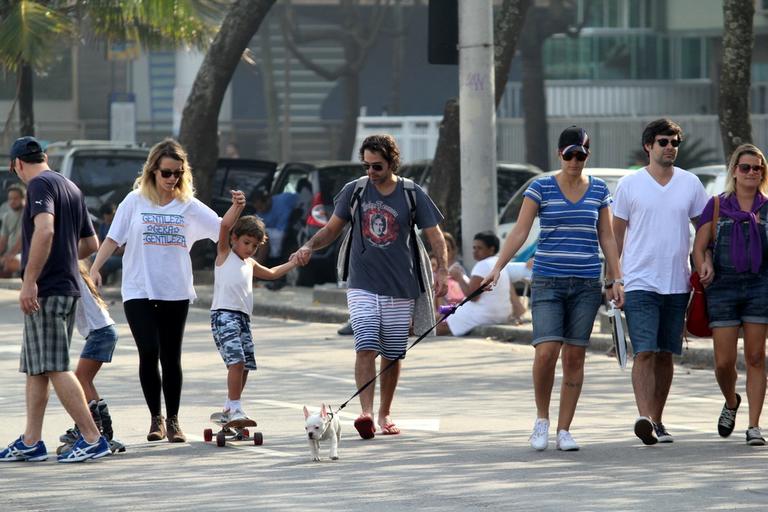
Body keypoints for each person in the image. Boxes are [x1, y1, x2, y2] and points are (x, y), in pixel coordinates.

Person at [291, 134, 448, 438]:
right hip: (361, 283)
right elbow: (332, 229)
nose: (371, 172)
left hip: (401, 285)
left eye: (377, 166)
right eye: (367, 166)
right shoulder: (355, 190)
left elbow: (436, 235)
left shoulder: (412, 193)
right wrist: (310, 246)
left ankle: (385, 413)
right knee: (366, 345)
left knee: (392, 353)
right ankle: (365, 413)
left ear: (392, 162)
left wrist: (441, 270)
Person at [483, 126, 624, 451]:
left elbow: (607, 237)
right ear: (560, 154)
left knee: (574, 357)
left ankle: (565, 429)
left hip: (586, 283)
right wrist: (498, 267)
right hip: (547, 281)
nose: (576, 161)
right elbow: (519, 232)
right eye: (570, 154)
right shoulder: (541, 187)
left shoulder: (600, 189)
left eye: (582, 155)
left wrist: (616, 278)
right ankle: (542, 419)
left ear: (587, 156)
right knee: (546, 352)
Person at [89, 138, 223, 443]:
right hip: (138, 289)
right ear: (152, 171)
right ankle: (156, 419)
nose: (172, 179)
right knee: (148, 352)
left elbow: (221, 228)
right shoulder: (134, 201)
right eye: (166, 173)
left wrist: (239, 215)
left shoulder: (188, 205)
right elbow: (112, 238)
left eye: (177, 173)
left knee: (170, 356)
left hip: (174, 289)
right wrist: (95, 268)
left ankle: (174, 420)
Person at [0, 136, 110, 463]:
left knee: (55, 366)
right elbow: (91, 243)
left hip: (46, 289)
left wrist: (30, 280)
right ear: (45, 156)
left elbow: (45, 230)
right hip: (65, 287)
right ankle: (32, 441)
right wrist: (63, 258)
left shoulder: (37, 185)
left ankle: (92, 437)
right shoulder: (70, 187)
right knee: (38, 368)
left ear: (18, 164)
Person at [612, 118, 708, 445]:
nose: (670, 148)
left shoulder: (691, 184)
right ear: (648, 146)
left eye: (674, 143)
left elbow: (704, 229)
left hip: (677, 282)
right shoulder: (630, 185)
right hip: (639, 280)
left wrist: (704, 259)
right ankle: (644, 418)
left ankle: (657, 419)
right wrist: (614, 278)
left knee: (666, 353)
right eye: (664, 142)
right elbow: (616, 235)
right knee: (645, 351)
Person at [692, 143, 768, 446]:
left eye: (758, 167)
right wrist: (704, 263)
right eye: (746, 167)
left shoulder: (767, 207)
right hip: (722, 287)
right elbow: (699, 247)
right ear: (735, 171)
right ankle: (731, 400)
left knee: (755, 357)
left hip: (760, 286)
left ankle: (754, 426)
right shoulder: (716, 205)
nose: (752, 172)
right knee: (723, 363)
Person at [211, 206, 297, 422]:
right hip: (224, 315)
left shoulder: (249, 263)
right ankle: (235, 406)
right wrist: (236, 205)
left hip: (242, 319)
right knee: (237, 362)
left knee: (246, 365)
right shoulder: (225, 254)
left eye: (255, 245)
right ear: (234, 239)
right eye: (246, 243)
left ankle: (231, 405)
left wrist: (294, 262)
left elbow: (272, 273)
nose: (250, 249)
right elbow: (224, 225)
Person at [58, 262, 123, 454]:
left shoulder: (70, 274)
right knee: (85, 381)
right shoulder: (75, 273)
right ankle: (103, 431)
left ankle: (92, 430)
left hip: (100, 333)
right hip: (104, 331)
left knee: (80, 380)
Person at [437, 231, 511, 336]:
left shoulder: (481, 265)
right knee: (441, 314)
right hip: (502, 314)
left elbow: (473, 296)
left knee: (440, 325)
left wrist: (459, 277)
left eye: (479, 248)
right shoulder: (499, 263)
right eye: (474, 248)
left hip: (483, 313)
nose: (475, 252)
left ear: (491, 249)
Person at [248, 187, 298, 290]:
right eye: (257, 208)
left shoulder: (284, 201)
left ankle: (255, 274)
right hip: (272, 234)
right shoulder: (258, 214)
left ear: (268, 200)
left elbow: (281, 233)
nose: (260, 210)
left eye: (261, 207)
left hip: (289, 233)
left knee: (264, 237)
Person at [0, 183, 25, 277]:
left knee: (11, 262)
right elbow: (3, 240)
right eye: (10, 198)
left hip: (24, 254)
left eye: (15, 198)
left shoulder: (29, 214)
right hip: (9, 254)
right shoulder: (7, 217)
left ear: (23, 199)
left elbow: (22, 239)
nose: (12, 201)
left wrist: (10, 255)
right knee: (6, 262)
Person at [96, 203, 123, 285]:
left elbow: (125, 248)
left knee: (105, 261)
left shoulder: (121, 225)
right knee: (94, 258)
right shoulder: (103, 226)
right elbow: (100, 243)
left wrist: (109, 254)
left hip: (120, 256)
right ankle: (98, 282)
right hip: (109, 254)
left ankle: (102, 282)